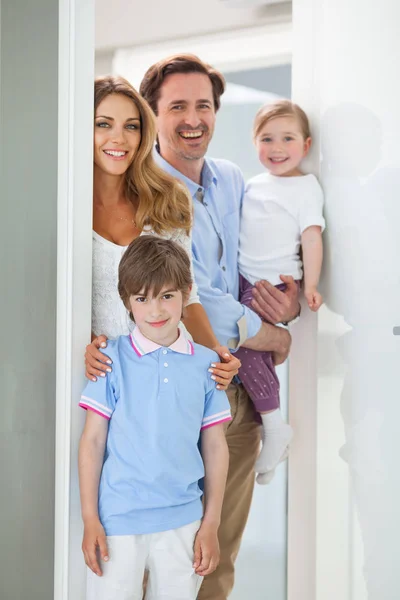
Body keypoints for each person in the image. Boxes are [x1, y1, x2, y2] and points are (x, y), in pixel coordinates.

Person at [139, 54, 300, 600]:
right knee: (163, 555)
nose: (192, 118)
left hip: (239, 396)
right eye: (177, 106)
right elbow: (192, 290)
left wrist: (287, 295)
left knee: (220, 557)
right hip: (177, 394)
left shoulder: (232, 178)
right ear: (153, 114)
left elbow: (254, 255)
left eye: (203, 105)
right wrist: (267, 333)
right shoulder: (147, 190)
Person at [78, 235, 231, 600]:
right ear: (127, 302)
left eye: (167, 296)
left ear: (186, 291)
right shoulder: (109, 359)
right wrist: (89, 519)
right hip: (118, 519)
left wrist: (211, 524)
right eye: (142, 299)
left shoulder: (208, 364)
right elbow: (93, 441)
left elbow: (215, 446)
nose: (156, 311)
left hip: (183, 522)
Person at [84, 75, 240, 390]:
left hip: (165, 379)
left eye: (131, 126)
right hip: (93, 379)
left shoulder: (168, 199)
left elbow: (187, 294)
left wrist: (216, 354)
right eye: (104, 124)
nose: (119, 139)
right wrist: (83, 345)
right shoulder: (61, 209)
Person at [236, 100, 325, 483]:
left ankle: (274, 426)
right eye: (267, 138)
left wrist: (312, 286)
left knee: (244, 343)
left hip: (272, 284)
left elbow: (312, 238)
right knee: (246, 352)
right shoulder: (251, 184)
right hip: (242, 278)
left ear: (305, 146)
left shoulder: (306, 187)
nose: (276, 147)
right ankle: (272, 437)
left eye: (287, 139)